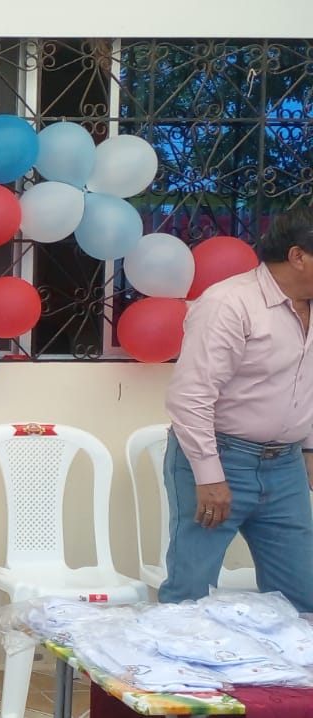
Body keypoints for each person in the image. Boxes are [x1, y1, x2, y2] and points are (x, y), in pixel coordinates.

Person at [162, 208, 313, 611]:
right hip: (223, 457)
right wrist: (209, 475)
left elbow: (305, 383)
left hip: (286, 467)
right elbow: (191, 396)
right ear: (298, 256)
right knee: (191, 596)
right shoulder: (229, 303)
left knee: (303, 597)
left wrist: (309, 448)